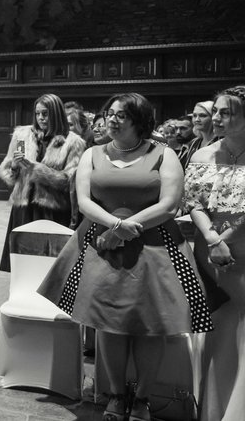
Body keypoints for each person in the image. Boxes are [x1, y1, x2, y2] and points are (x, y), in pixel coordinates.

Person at [39, 92, 212, 421]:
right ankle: (116, 395)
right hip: (100, 245)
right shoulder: (92, 153)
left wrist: (125, 229)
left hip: (154, 246)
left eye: (121, 115)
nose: (111, 120)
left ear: (140, 121)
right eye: (110, 114)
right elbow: (85, 200)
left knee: (152, 325)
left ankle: (144, 399)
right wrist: (115, 225)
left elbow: (170, 204)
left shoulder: (164, 154)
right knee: (109, 324)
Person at [184, 85, 245, 421]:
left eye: (227, 112)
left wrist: (227, 237)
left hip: (242, 251)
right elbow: (194, 201)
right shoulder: (203, 155)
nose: (218, 118)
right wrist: (210, 236)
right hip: (210, 254)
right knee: (218, 331)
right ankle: (214, 409)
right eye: (217, 111)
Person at [0, 93, 85, 271]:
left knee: (48, 265)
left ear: (56, 113)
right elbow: (6, 171)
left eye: (45, 113)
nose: (41, 118)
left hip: (52, 210)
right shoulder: (22, 135)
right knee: (22, 263)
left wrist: (37, 169)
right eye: (37, 114)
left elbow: (69, 181)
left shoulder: (73, 142)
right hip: (23, 206)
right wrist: (14, 167)